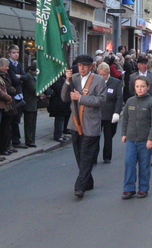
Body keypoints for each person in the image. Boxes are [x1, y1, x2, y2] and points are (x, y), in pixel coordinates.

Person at [61, 54, 106, 198]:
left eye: (84, 65)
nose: (81, 68)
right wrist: (67, 81)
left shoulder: (98, 80)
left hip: (91, 123)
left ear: (91, 66)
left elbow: (101, 100)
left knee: (87, 156)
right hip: (75, 122)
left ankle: (80, 187)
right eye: (79, 65)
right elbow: (64, 98)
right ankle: (88, 181)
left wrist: (81, 98)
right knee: (79, 156)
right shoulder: (74, 78)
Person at [121, 77, 152, 199]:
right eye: (137, 86)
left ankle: (143, 188)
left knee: (144, 165)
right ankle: (129, 189)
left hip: (145, 140)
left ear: (147, 87)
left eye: (142, 86)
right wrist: (124, 133)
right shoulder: (130, 101)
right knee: (129, 163)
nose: (140, 89)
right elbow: (126, 119)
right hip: (131, 139)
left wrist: (151, 139)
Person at [96, 63, 123, 164]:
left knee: (109, 136)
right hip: (97, 114)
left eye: (104, 75)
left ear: (108, 73)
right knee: (95, 137)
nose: (102, 77)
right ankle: (93, 157)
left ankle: (107, 156)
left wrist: (117, 112)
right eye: (100, 74)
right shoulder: (95, 82)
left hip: (110, 114)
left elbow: (119, 98)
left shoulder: (115, 83)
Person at [7, 45, 28, 150]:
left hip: (20, 95)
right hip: (13, 95)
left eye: (17, 52)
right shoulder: (9, 65)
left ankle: (16, 140)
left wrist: (20, 77)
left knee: (17, 119)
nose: (16, 55)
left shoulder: (18, 64)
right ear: (9, 54)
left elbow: (26, 77)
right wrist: (19, 78)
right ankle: (11, 141)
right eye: (14, 52)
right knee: (11, 120)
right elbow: (14, 80)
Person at [0, 58, 18, 155]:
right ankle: (2, 148)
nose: (7, 68)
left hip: (10, 104)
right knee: (4, 128)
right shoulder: (0, 76)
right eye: (6, 66)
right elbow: (6, 89)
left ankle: (6, 146)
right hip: (5, 105)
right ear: (0, 66)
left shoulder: (6, 74)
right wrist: (12, 90)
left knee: (8, 127)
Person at [21, 63, 39, 148]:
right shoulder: (29, 77)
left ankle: (32, 139)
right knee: (29, 123)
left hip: (33, 103)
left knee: (32, 123)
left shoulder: (33, 76)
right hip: (29, 103)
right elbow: (33, 89)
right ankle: (29, 140)